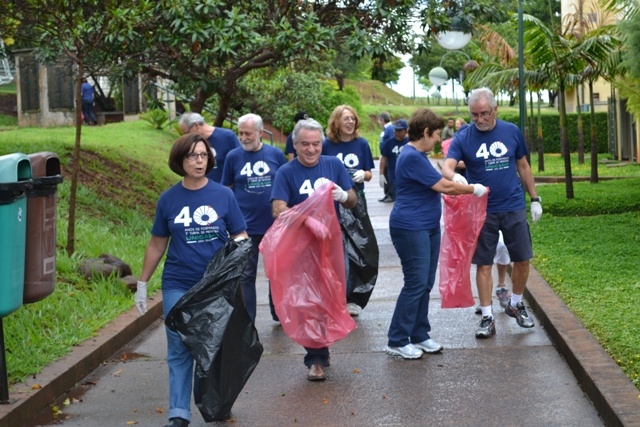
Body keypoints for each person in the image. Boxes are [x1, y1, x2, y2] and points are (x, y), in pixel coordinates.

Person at [135, 133, 248, 427]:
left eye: (202, 155)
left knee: (216, 347)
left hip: (215, 287)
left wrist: (234, 256)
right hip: (179, 284)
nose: (199, 161)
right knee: (179, 347)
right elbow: (157, 243)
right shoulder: (169, 199)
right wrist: (143, 282)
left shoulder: (224, 195)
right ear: (180, 160)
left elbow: (240, 234)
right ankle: (178, 414)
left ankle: (218, 404)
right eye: (192, 156)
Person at [385, 107, 487, 360]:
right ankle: (397, 339)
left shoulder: (418, 156)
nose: (438, 140)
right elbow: (444, 186)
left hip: (427, 227)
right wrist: (472, 188)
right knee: (416, 283)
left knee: (425, 283)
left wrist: (460, 183)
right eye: (437, 134)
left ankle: (419, 334)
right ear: (426, 132)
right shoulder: (411, 157)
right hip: (410, 227)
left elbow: (442, 179)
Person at [442, 87, 542, 339]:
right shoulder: (464, 137)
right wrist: (458, 178)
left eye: (484, 113)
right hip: (482, 210)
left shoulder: (511, 131)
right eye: (474, 115)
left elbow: (523, 166)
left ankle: (516, 304)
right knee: (483, 263)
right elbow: (447, 166)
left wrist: (534, 198)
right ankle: (487, 317)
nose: (480, 119)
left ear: (495, 109)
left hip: (512, 205)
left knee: (522, 258)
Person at [271, 118, 357, 381]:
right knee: (307, 302)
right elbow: (278, 209)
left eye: (316, 144)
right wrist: (306, 219)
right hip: (300, 247)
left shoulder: (333, 165)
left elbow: (353, 200)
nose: (311, 149)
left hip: (331, 244)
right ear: (295, 145)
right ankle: (315, 358)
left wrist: (343, 195)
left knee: (331, 297)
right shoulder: (286, 172)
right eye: (305, 144)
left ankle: (322, 344)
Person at [222, 113, 287, 322]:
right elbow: (226, 189)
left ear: (260, 132)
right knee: (246, 275)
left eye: (248, 133)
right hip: (245, 227)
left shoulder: (276, 154)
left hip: (274, 226)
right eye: (240, 133)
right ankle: (249, 320)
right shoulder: (233, 157)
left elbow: (286, 184)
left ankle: (278, 312)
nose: (243, 137)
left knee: (276, 273)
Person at [322, 104, 375, 317]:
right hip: (332, 200)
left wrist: (364, 174)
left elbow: (370, 172)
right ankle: (334, 294)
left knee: (358, 247)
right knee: (334, 247)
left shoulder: (361, 144)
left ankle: (354, 297)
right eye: (346, 118)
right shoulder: (327, 145)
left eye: (353, 118)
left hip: (355, 199)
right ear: (337, 121)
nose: (350, 122)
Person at [178, 112, 240, 183]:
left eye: (186, 133)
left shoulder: (228, 137)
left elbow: (240, 162)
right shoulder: (191, 144)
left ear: (196, 125)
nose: (186, 137)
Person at [379, 119, 409, 202]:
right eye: (395, 130)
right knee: (397, 199)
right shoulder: (389, 143)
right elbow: (384, 158)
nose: (397, 133)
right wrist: (381, 174)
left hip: (407, 176)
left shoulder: (410, 143)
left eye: (400, 131)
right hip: (393, 176)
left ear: (406, 131)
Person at [378, 112, 395, 202]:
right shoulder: (386, 129)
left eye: (379, 120)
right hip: (384, 155)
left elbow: (391, 142)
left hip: (388, 157)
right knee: (385, 174)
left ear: (383, 120)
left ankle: (391, 194)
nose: (379, 122)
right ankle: (387, 193)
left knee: (388, 176)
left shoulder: (390, 129)